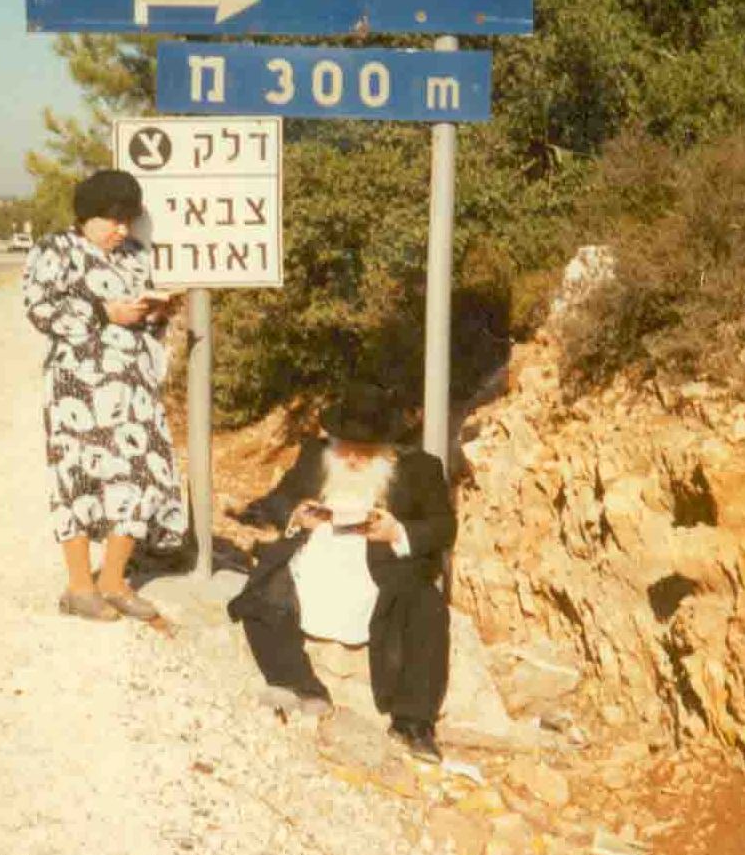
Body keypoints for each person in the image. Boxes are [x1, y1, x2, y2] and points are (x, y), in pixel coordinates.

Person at [228, 382, 455, 761]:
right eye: (345, 448)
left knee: (427, 607)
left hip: (381, 567)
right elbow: (279, 500)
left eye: (364, 453)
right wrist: (296, 515)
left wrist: (397, 531)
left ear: (386, 449)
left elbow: (444, 527)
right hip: (315, 558)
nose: (351, 459)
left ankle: (413, 723)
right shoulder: (314, 456)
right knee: (261, 596)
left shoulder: (421, 469)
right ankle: (302, 686)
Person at [23, 169, 186, 622]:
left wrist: (156, 310)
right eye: (113, 221)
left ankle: (113, 580)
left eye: (128, 221)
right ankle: (79, 587)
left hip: (133, 383)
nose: (122, 230)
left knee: (140, 473)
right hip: (77, 384)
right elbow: (38, 308)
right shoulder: (54, 250)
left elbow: (141, 315)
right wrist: (102, 312)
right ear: (87, 216)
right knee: (78, 476)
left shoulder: (134, 256)